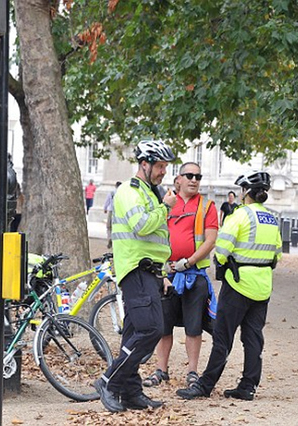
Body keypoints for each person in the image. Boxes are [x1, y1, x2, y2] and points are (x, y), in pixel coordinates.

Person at [176, 171, 282, 401]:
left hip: (237, 284)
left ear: (245, 193)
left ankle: (205, 386)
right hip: (262, 285)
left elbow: (222, 250)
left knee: (223, 338)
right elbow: (277, 254)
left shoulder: (239, 215)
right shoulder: (272, 219)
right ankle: (248, 386)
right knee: (253, 338)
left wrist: (224, 263)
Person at [94, 140, 177, 413]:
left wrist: (163, 274)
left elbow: (157, 241)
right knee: (150, 329)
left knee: (132, 332)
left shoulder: (151, 193)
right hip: (135, 270)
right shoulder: (130, 192)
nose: (163, 171)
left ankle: (131, 392)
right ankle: (109, 381)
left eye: (165, 166)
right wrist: (165, 208)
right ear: (145, 164)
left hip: (150, 272)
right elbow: (141, 226)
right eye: (160, 166)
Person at [143, 162, 218, 388]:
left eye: (198, 176)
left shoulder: (207, 206)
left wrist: (189, 262)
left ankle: (192, 372)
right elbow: (153, 236)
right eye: (189, 176)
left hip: (194, 275)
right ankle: (160, 370)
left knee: (193, 328)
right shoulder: (165, 203)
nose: (194, 180)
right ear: (179, 179)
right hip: (167, 275)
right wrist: (165, 268)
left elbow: (211, 239)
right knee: (164, 327)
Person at [103, 181, 122, 249]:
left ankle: (109, 238)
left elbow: (107, 201)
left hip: (111, 210)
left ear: (115, 186)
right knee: (116, 227)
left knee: (109, 226)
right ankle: (115, 241)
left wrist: (105, 208)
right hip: (119, 212)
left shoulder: (111, 193)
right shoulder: (122, 193)